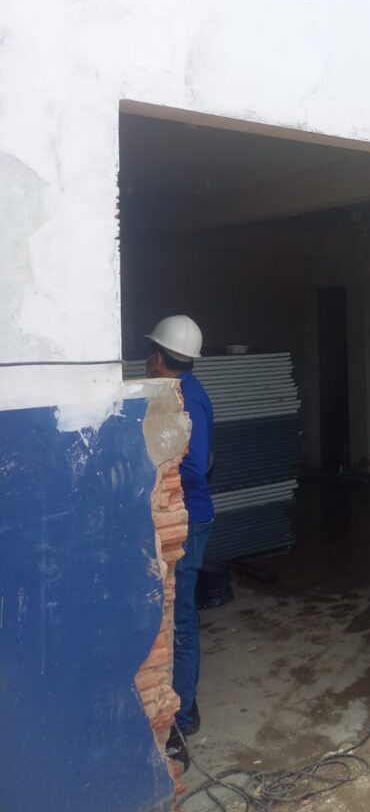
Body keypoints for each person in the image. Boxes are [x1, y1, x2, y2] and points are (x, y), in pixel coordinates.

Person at [145, 315, 214, 767]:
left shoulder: (182, 398)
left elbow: (193, 466)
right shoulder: (189, 391)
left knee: (181, 619)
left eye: (149, 353)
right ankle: (184, 703)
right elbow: (207, 459)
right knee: (178, 615)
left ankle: (183, 715)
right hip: (192, 516)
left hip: (188, 520)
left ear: (158, 357)